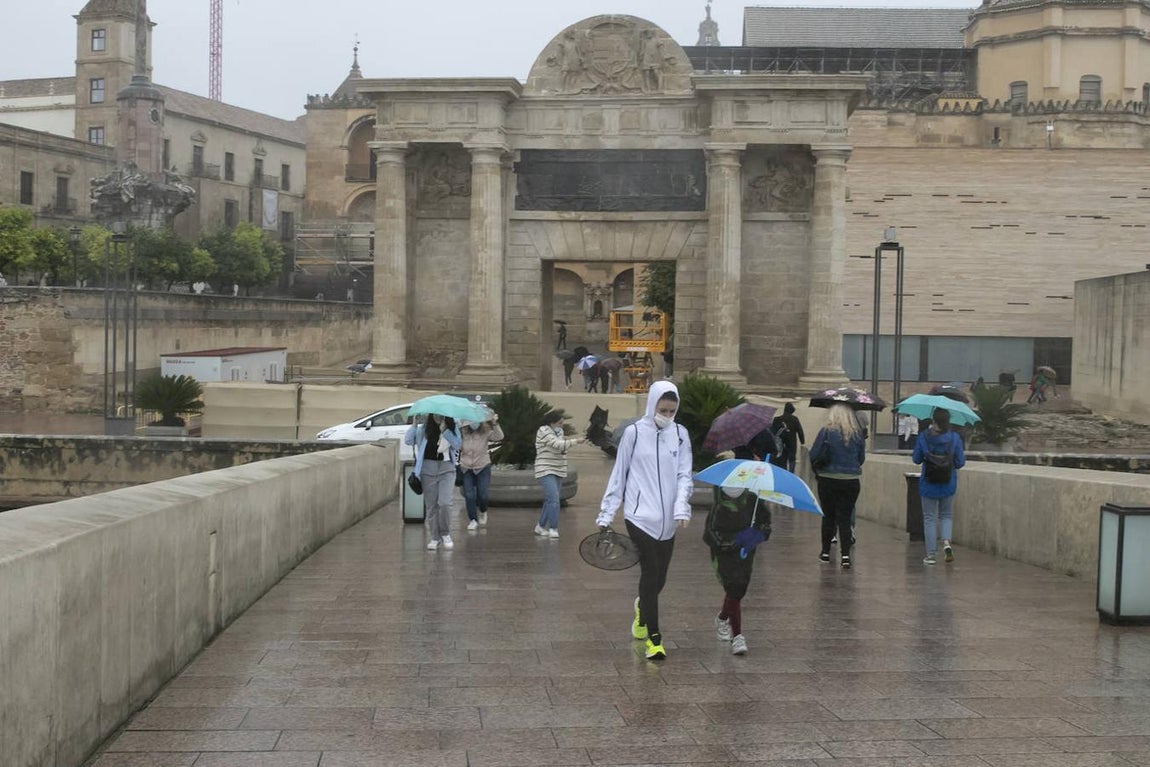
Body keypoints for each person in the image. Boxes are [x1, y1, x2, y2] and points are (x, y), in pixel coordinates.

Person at [597, 381, 693, 660]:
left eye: (672, 411)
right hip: (638, 516)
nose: (667, 415)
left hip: (668, 521)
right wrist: (607, 513)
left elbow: (684, 474)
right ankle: (655, 639)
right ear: (652, 406)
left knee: (660, 578)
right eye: (663, 410)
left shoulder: (680, 434)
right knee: (650, 574)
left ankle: (642, 608)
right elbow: (620, 473)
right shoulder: (634, 433)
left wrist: (681, 508)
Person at [703, 485, 772, 656]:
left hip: (746, 550)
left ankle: (723, 618)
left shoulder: (753, 501)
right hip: (724, 554)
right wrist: (725, 544)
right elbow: (709, 533)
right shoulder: (718, 506)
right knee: (733, 586)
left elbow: (765, 524)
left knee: (739, 588)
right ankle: (738, 635)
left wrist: (755, 535)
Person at [808, 404, 866, 569]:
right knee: (845, 518)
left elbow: (814, 454)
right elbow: (861, 458)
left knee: (828, 517)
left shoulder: (826, 432)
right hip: (851, 481)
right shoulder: (857, 434)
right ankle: (846, 556)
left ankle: (825, 552)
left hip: (828, 479)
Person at [912, 408, 966, 565]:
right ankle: (947, 543)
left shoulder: (924, 437)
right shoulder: (954, 438)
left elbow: (916, 459)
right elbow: (960, 462)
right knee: (946, 515)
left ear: (933, 420)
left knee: (929, 518)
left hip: (928, 483)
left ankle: (931, 555)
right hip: (948, 483)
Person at [404, 414, 462, 551]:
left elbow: (458, 444)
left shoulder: (451, 427)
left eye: (440, 413)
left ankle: (446, 533)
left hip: (447, 469)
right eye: (435, 413)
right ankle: (435, 537)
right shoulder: (423, 429)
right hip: (427, 470)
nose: (437, 416)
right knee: (432, 506)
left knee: (445, 503)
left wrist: (445, 431)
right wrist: (414, 424)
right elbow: (408, 440)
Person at [534, 411, 584, 538]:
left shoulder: (560, 432)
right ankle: (553, 528)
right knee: (554, 499)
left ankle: (540, 526)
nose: (562, 425)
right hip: (545, 468)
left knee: (550, 499)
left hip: (558, 468)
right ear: (552, 422)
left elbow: (562, 447)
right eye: (560, 423)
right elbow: (557, 444)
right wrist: (576, 441)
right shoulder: (543, 430)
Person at [459, 410, 504, 531]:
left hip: (482, 466)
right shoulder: (463, 432)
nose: (474, 423)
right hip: (466, 467)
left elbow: (499, 437)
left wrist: (495, 423)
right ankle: (473, 520)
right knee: (469, 495)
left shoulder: (486, 431)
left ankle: (483, 511)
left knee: (482, 494)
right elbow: (456, 445)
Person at [769, 403, 805, 472]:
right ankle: (791, 474)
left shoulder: (777, 419)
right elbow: (800, 431)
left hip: (780, 443)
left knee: (781, 460)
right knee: (792, 460)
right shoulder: (794, 419)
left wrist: (771, 443)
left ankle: (783, 473)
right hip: (792, 443)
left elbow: (772, 432)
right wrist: (802, 442)